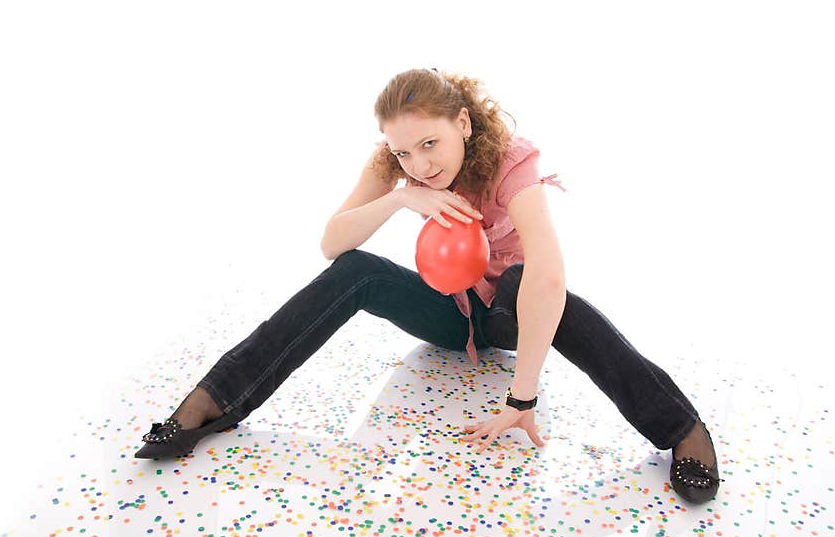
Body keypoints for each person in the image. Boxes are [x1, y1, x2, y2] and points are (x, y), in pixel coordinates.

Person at [134, 67, 721, 504]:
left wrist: (521, 398)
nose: (418, 161)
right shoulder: (397, 168)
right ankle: (218, 398)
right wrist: (397, 197)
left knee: (526, 277)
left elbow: (547, 276)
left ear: (462, 122)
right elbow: (332, 244)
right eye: (403, 151)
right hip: (448, 310)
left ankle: (680, 428)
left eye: (430, 144)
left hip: (511, 313)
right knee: (354, 271)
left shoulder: (513, 162)